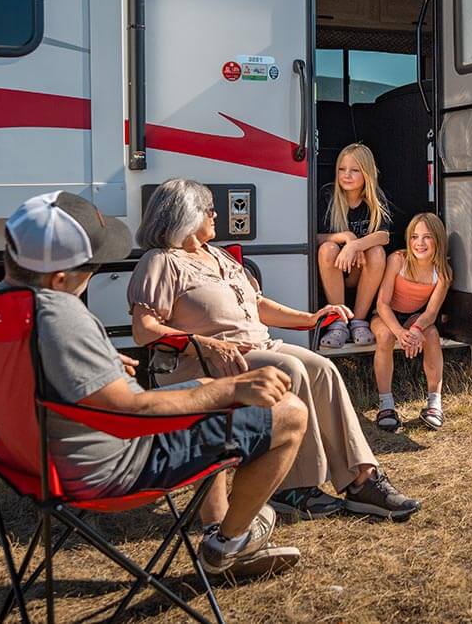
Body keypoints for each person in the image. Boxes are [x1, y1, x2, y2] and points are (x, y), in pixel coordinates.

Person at [0, 191, 308, 578]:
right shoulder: (60, 316)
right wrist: (233, 389)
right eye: (92, 265)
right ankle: (227, 544)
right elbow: (134, 408)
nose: (94, 272)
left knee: (199, 388)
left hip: (32, 458)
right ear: (60, 277)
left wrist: (102, 365)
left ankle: (221, 523)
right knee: (289, 413)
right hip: (111, 465)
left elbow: (34, 369)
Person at [128, 178, 421, 522]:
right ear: (185, 215)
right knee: (290, 370)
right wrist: (206, 345)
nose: (215, 213)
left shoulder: (218, 255)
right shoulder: (162, 261)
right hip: (206, 364)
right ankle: (294, 487)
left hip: (257, 347)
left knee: (323, 369)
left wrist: (311, 318)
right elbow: (144, 329)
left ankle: (362, 480)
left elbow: (259, 304)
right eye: (208, 208)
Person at [370, 213, 452, 431]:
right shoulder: (398, 259)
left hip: (416, 317)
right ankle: (386, 404)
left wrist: (416, 330)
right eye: (414, 237)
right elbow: (382, 304)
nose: (419, 243)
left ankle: (434, 402)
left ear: (438, 240)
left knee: (431, 335)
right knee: (385, 337)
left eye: (427, 237)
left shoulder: (442, 273)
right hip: (387, 316)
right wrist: (398, 331)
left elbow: (431, 312)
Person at [316, 143, 391, 348]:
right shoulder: (327, 196)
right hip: (335, 271)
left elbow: (384, 236)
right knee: (327, 249)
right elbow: (314, 238)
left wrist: (356, 246)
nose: (346, 175)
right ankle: (338, 322)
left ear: (367, 173)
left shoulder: (374, 199)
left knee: (376, 251)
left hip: (361, 272)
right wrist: (346, 238)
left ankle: (358, 321)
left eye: (354, 170)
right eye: (342, 169)